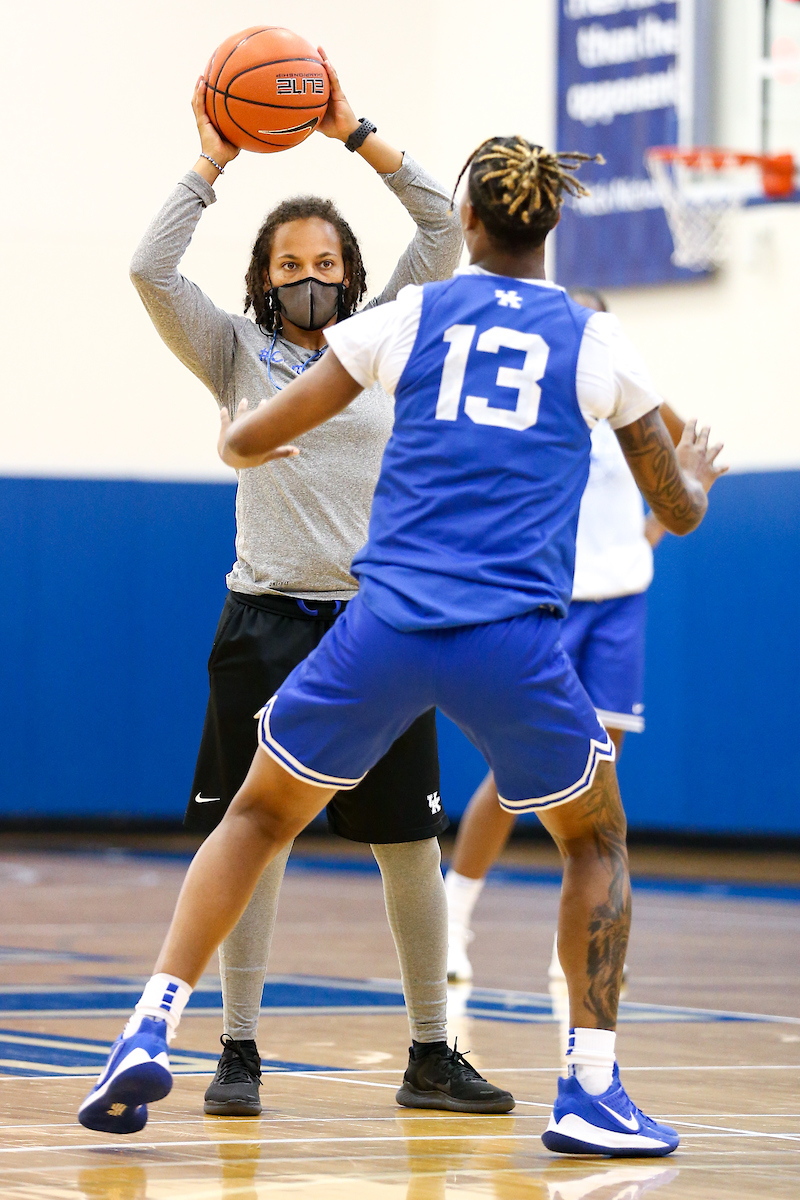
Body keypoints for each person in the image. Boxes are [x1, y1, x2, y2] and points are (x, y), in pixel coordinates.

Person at [80, 134, 724, 1156]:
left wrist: (239, 438)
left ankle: (147, 1022)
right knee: (592, 841)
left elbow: (251, 436)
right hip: (508, 640)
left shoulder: (409, 314)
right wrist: (690, 470)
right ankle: (588, 1089)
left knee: (253, 817)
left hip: (378, 626)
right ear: (552, 226)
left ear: (467, 225)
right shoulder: (593, 341)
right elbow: (676, 511)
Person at [124, 56, 512, 1119]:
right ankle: (237, 1050)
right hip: (263, 623)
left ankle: (431, 1054)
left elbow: (440, 231)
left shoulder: (380, 331)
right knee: (250, 834)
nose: (310, 274)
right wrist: (213, 157)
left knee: (405, 848)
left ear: (348, 275)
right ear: (263, 275)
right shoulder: (232, 351)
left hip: (377, 628)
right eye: (289, 260)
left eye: (325, 259)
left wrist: (354, 131)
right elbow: (151, 271)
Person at [443, 288, 721, 987]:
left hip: (621, 604)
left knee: (600, 779)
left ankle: (579, 946)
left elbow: (688, 461)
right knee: (516, 775)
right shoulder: (529, 413)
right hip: (551, 606)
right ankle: (452, 918)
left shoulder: (631, 405)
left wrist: (648, 540)